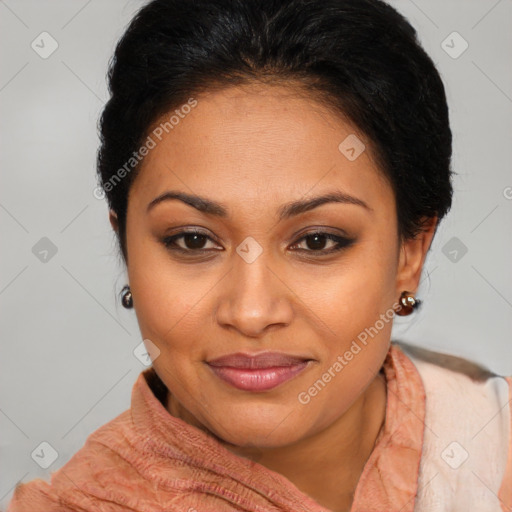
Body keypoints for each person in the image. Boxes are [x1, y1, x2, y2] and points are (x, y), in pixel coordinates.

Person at [7, 0, 511, 511]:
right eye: (192, 240)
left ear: (411, 251)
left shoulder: (495, 446)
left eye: (317, 241)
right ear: (127, 248)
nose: (250, 313)